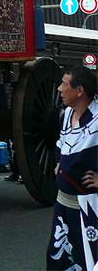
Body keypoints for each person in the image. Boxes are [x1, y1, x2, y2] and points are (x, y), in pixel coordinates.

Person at [47, 66, 98, 271]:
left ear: (79, 91)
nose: (59, 89)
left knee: (88, 259)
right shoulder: (67, 114)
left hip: (88, 205)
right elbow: (62, 143)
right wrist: (60, 162)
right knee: (58, 257)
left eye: (64, 85)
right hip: (63, 202)